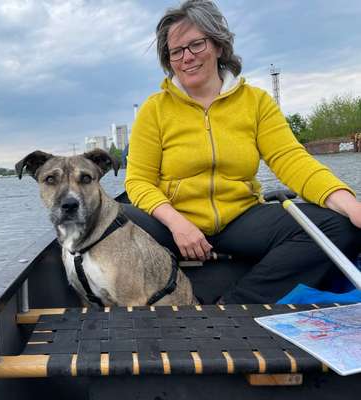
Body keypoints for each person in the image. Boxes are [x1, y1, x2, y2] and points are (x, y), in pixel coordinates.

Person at [124, 0, 361, 304]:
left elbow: (292, 161)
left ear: (219, 46)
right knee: (115, 218)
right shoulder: (153, 110)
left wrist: (350, 205)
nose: (187, 57)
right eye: (176, 51)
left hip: (240, 219)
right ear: (168, 59)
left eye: (196, 45)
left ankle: (237, 305)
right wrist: (177, 223)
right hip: (173, 221)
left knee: (337, 226)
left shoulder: (256, 102)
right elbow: (138, 181)